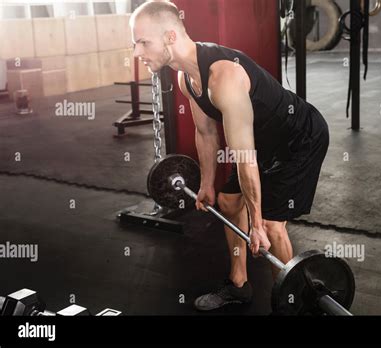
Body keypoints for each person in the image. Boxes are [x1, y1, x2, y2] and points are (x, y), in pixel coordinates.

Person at [130, 1, 329, 311]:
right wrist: (207, 182)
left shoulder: (223, 77)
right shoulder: (186, 78)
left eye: (143, 41)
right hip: (260, 142)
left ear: (170, 37)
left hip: (298, 139)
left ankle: (293, 304)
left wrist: (257, 225)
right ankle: (239, 284)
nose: (136, 51)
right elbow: (206, 133)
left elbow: (245, 156)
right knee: (226, 202)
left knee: (272, 225)